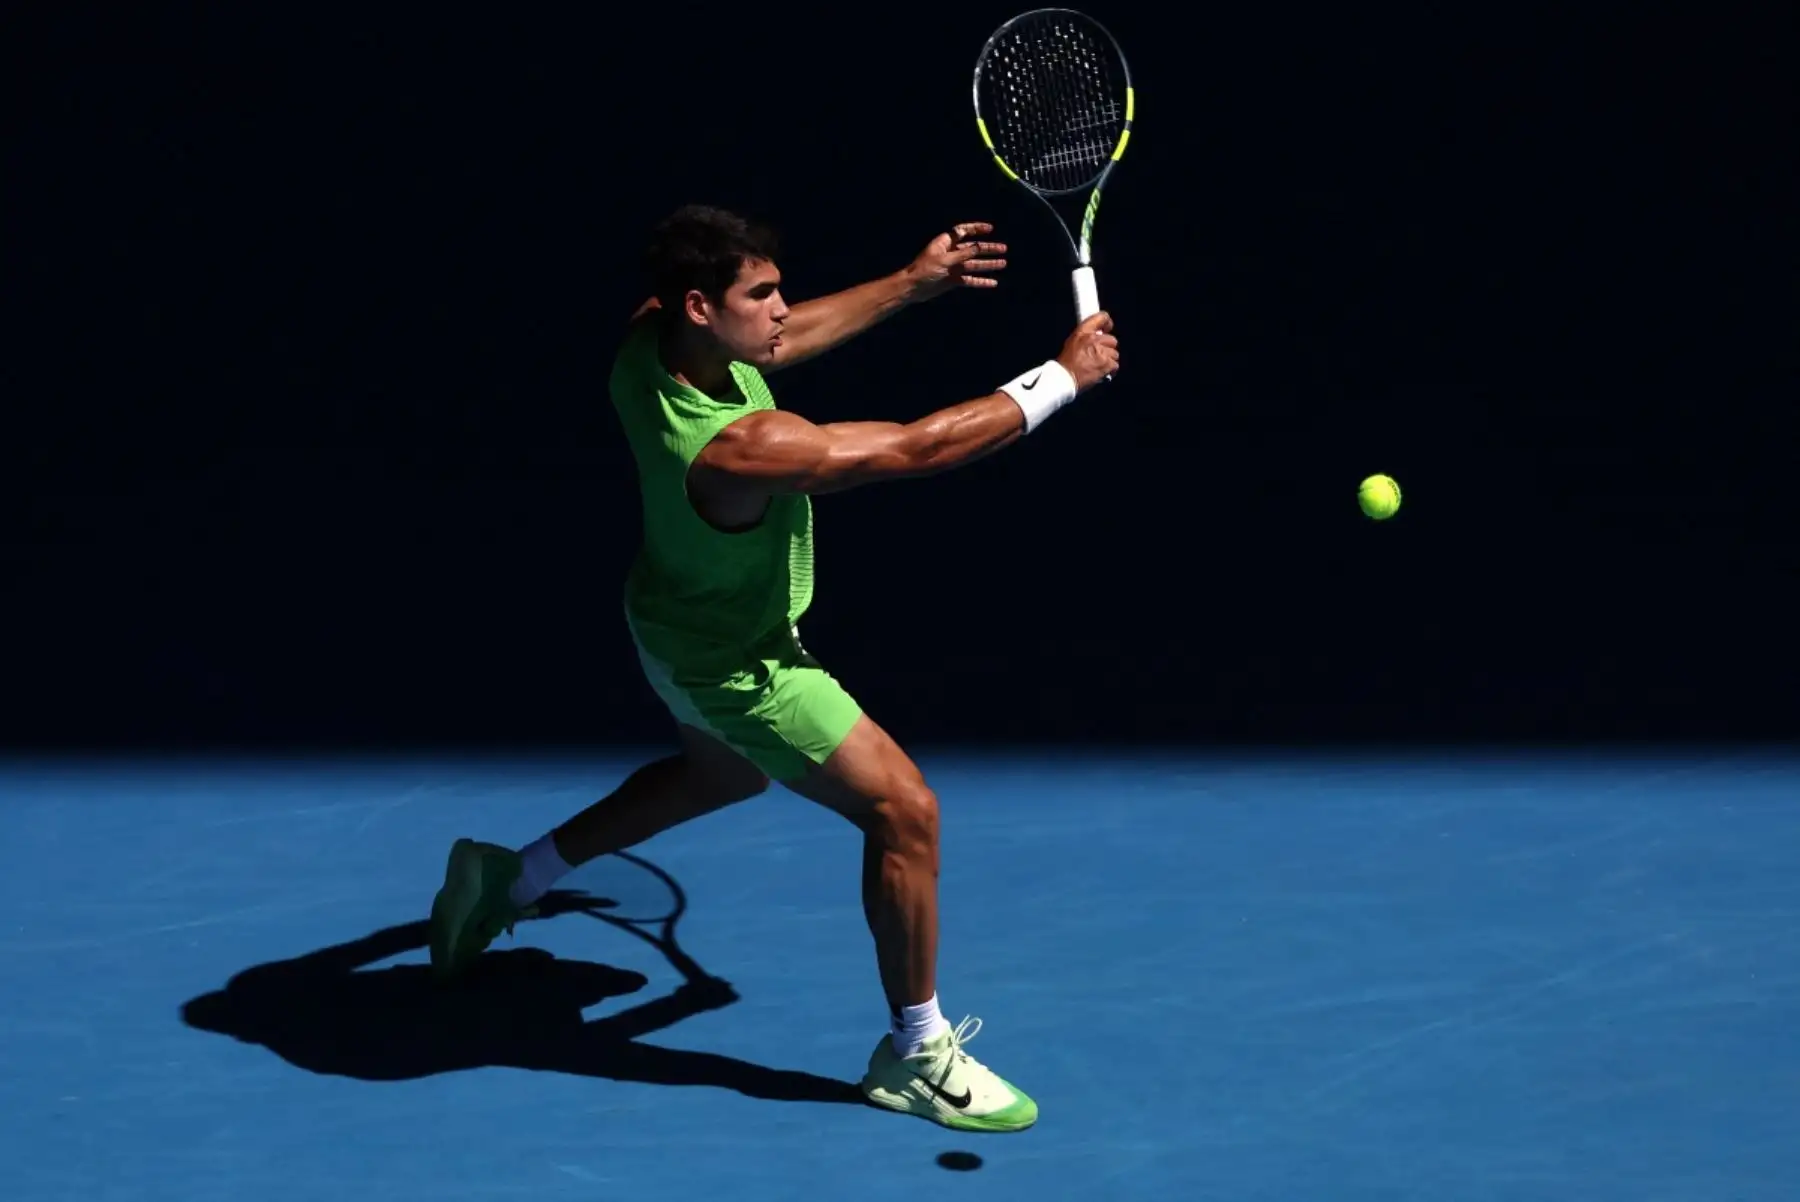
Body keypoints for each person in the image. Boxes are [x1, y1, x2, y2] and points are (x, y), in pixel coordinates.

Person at [427, 203, 1120, 1133]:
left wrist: (913, 283)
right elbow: (918, 448)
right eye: (762, 294)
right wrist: (1059, 382)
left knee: (719, 774)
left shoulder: (653, 342)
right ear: (701, 309)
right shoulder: (738, 447)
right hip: (740, 664)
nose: (784, 309)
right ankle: (915, 1053)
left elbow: (786, 345)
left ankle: (511, 878)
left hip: (668, 621)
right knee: (904, 812)